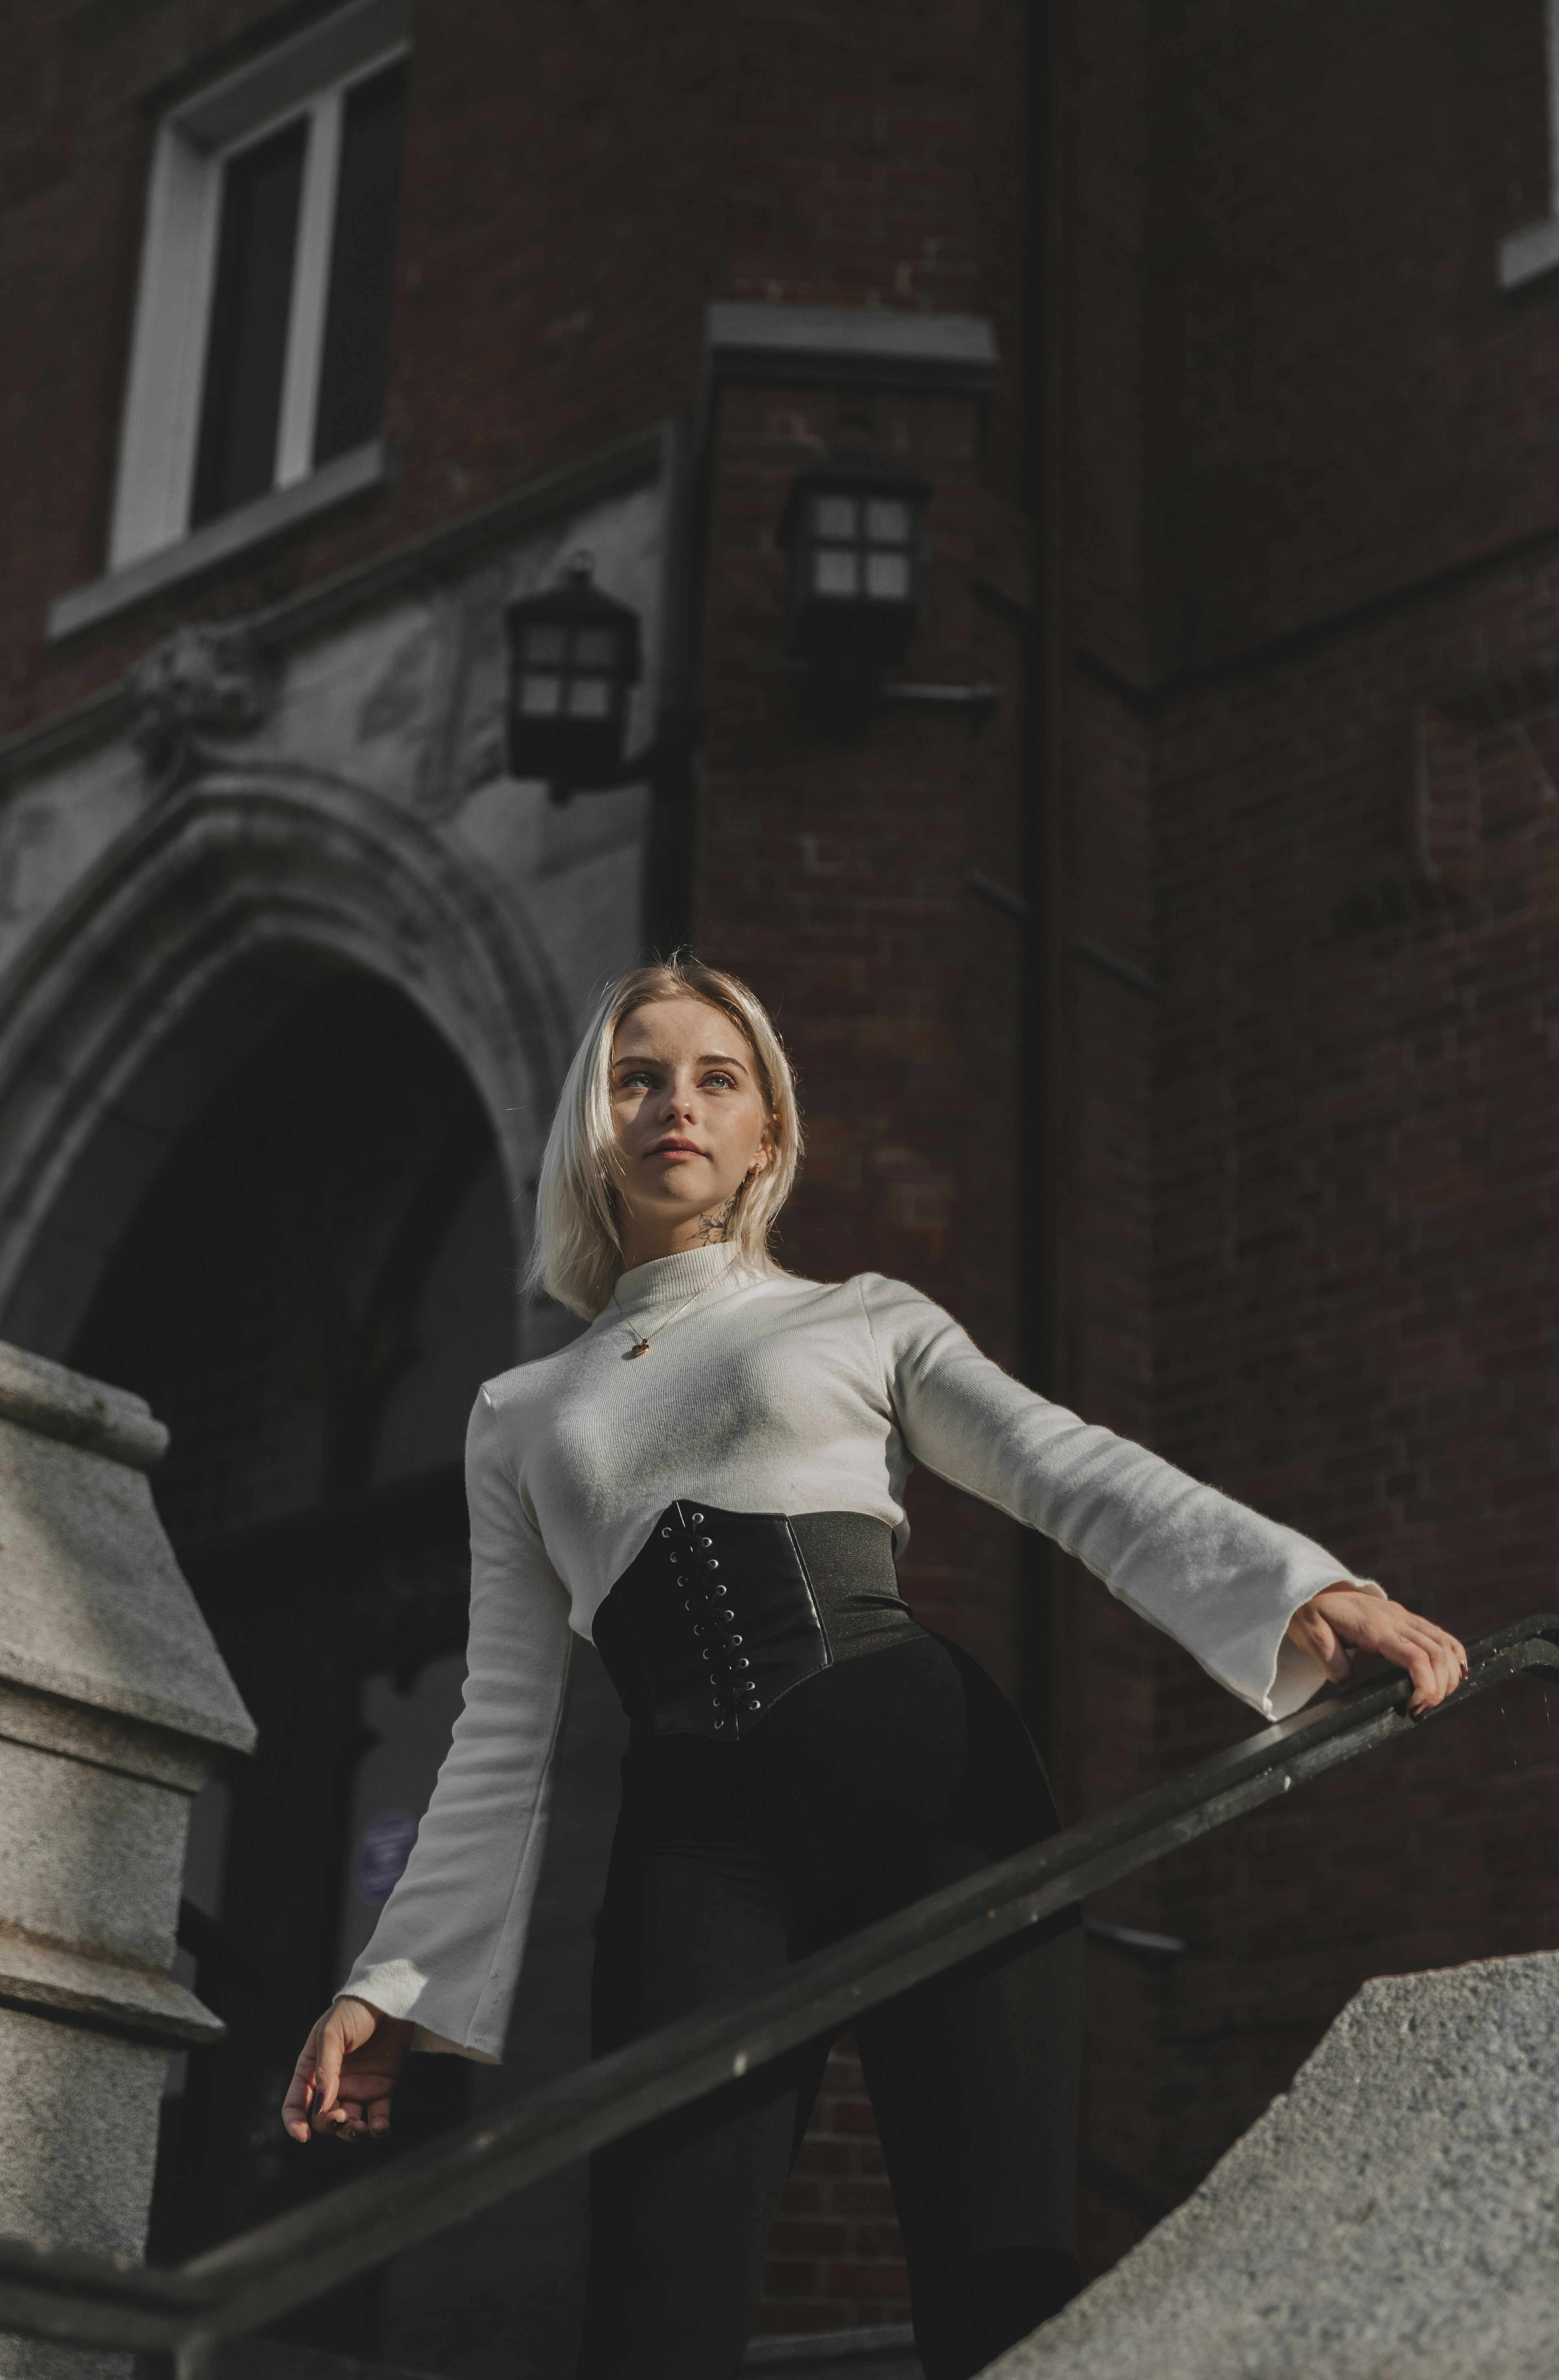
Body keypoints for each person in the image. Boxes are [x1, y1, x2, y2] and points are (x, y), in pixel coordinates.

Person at [282, 955, 1467, 2380]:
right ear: (591, 1125)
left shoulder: (860, 1315)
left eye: (719, 1078)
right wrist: (395, 1981)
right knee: (657, 2293)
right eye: (638, 1075)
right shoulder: (516, 1416)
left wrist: (1302, 1586)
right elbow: (499, 1728)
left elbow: (1064, 1468)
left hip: (931, 1783)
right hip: (695, 1849)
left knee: (1000, 2267)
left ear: (768, 1131)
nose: (677, 1104)